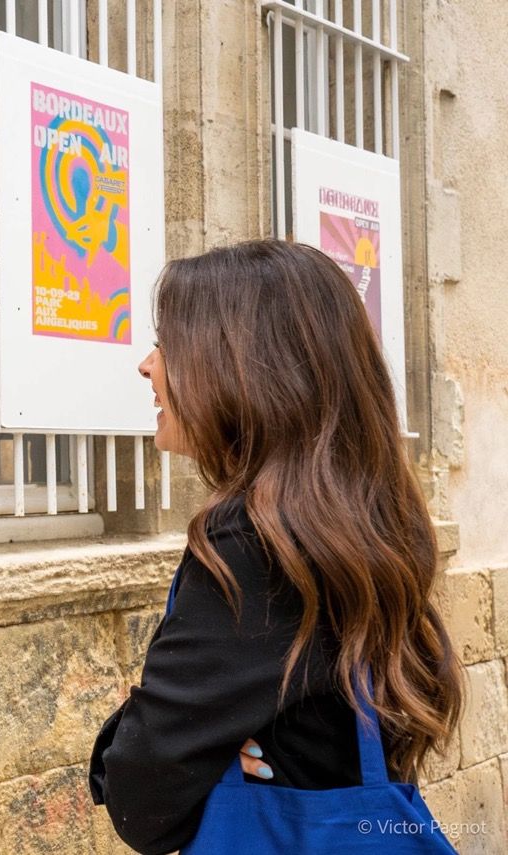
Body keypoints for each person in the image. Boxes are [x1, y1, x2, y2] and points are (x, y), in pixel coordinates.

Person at [88, 240, 463, 854]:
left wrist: (127, 745)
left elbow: (141, 800)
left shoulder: (252, 548)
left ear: (244, 367)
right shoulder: (357, 523)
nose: (148, 365)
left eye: (169, 343)